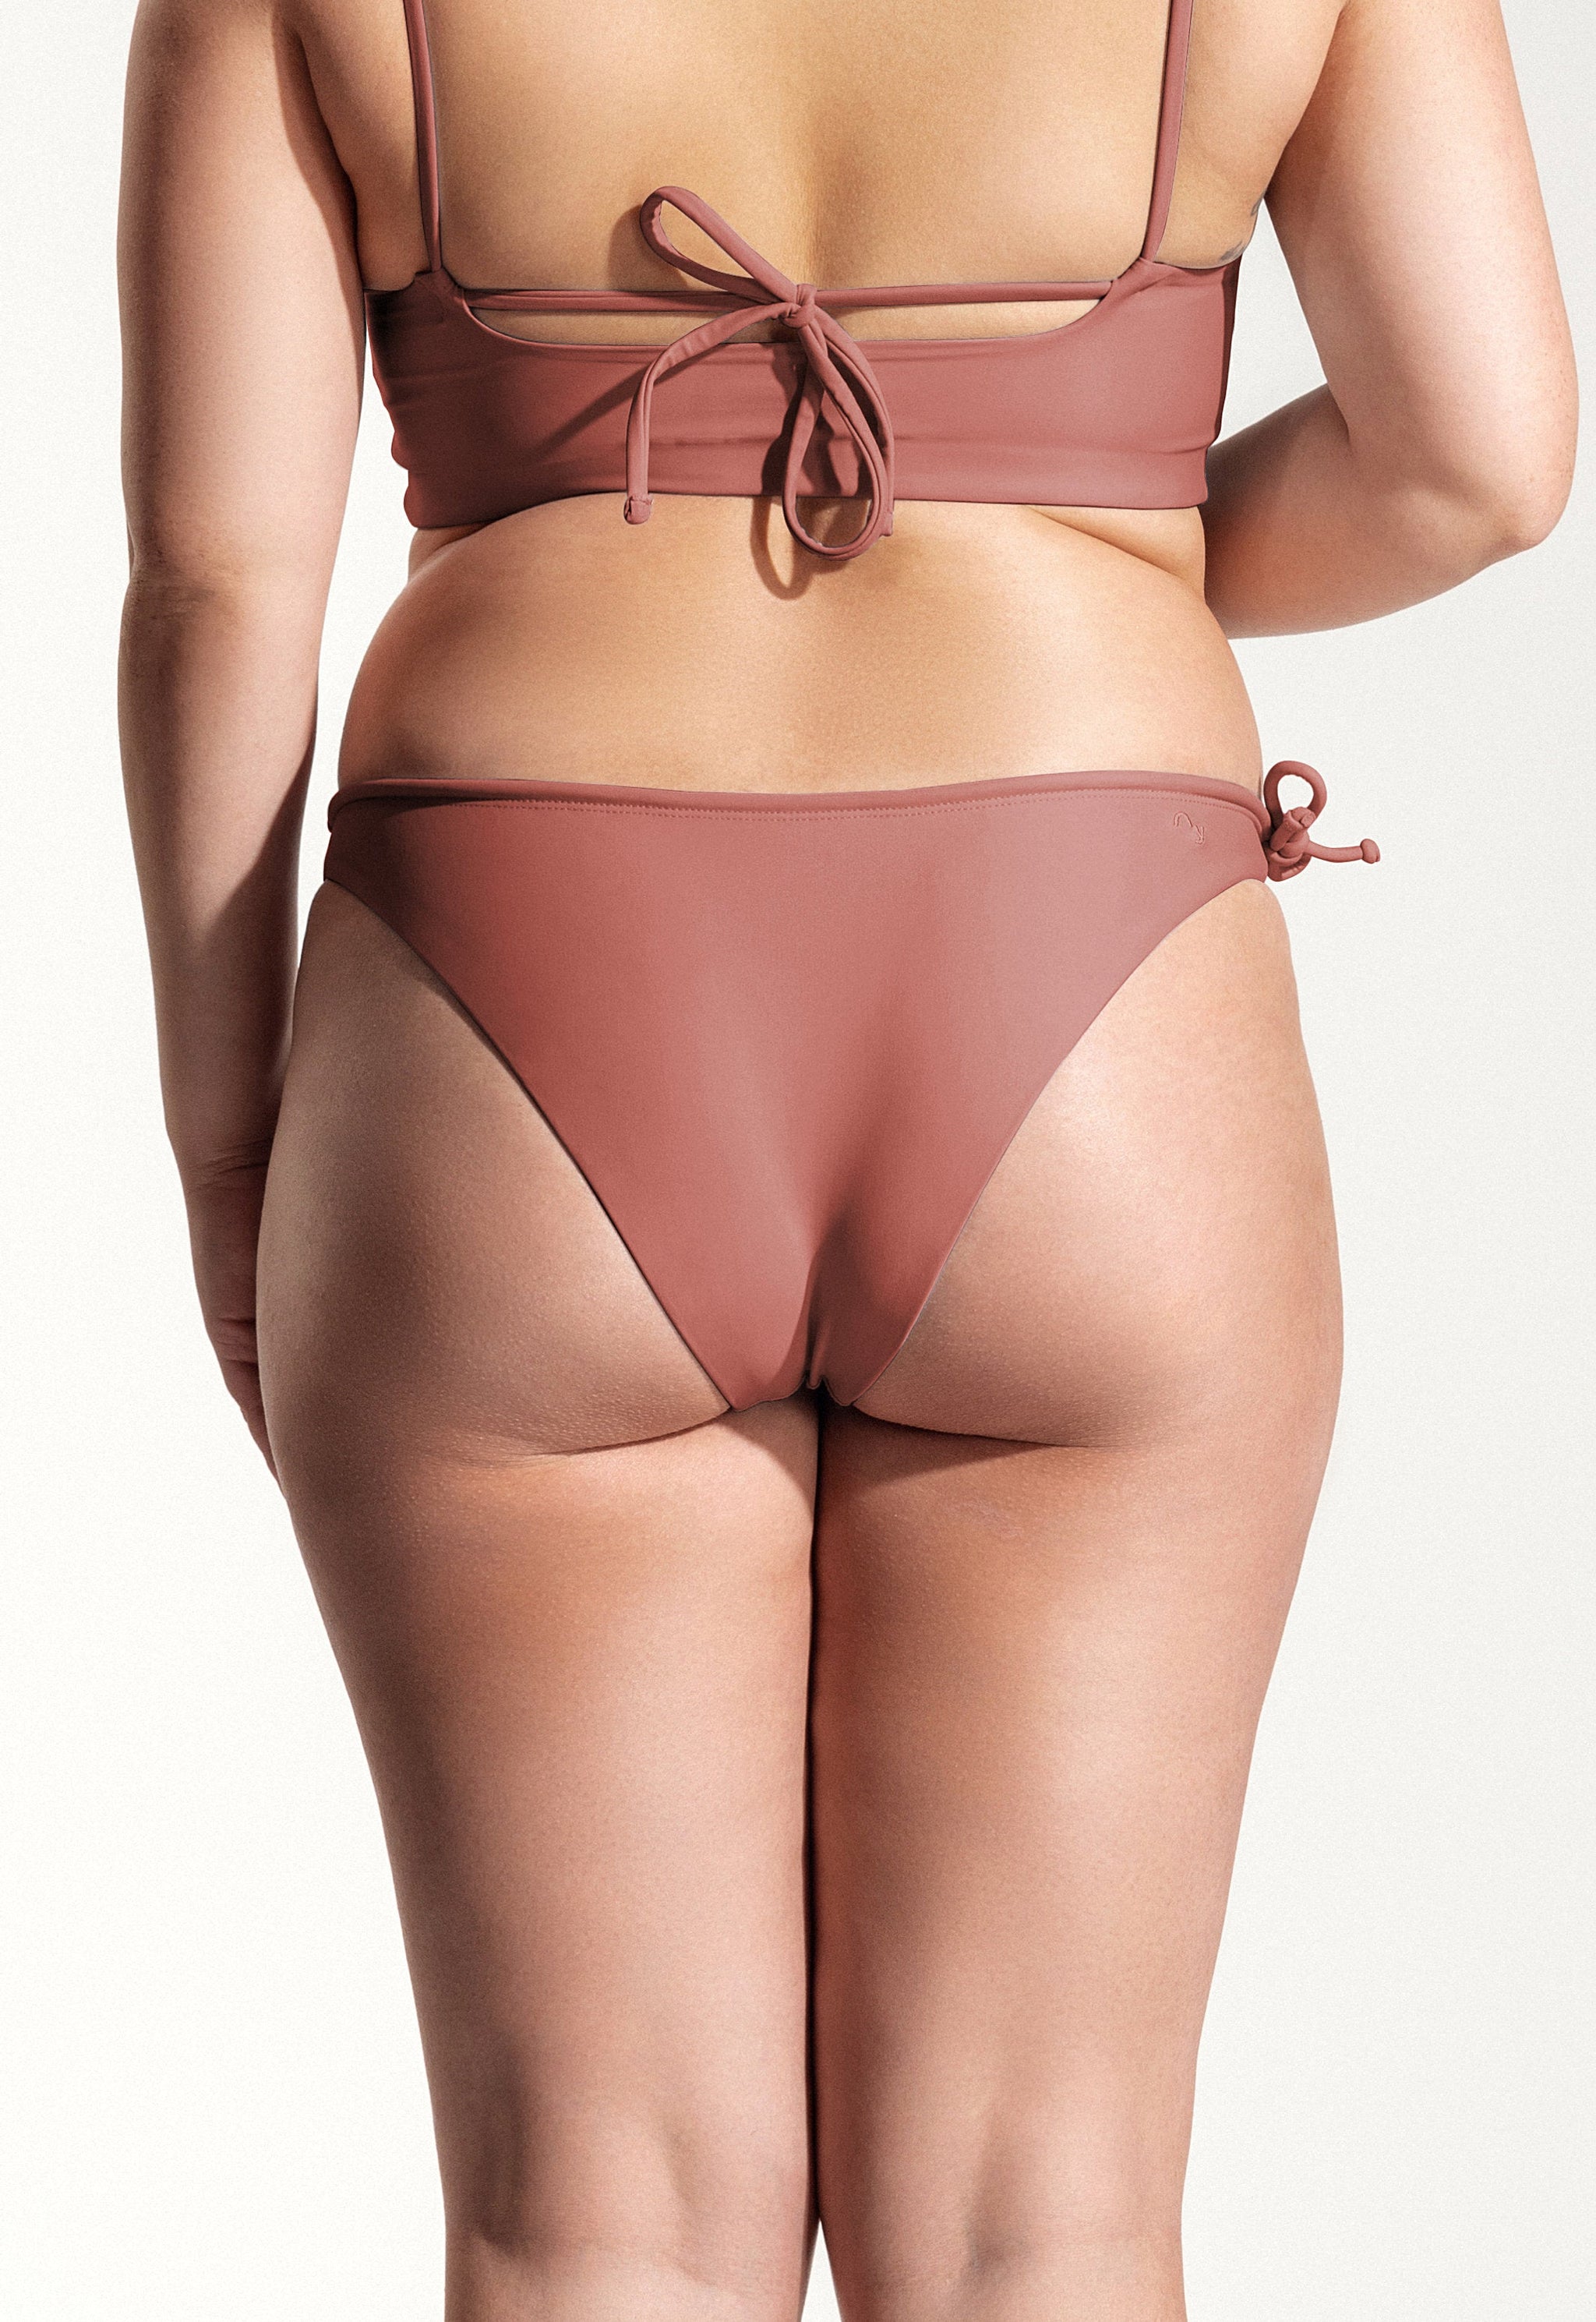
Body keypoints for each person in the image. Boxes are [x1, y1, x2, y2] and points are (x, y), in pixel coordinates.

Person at [117, 1, 1574, 2316]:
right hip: (1085, 972)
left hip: (512, 994)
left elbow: (218, 593)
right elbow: (1478, 456)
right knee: (1042, 2223)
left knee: (591, 2217)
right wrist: (1074, 524)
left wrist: (229, 1162)